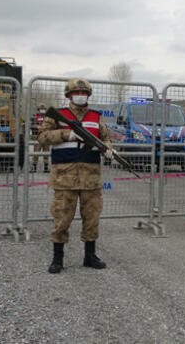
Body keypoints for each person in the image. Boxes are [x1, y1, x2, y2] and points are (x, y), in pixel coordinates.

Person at [38, 78, 114, 273]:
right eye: (76, 93)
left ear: (88, 95)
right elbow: (42, 137)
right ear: (69, 96)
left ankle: (90, 256)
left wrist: (108, 149)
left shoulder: (96, 116)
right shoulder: (57, 115)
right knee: (62, 218)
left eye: (83, 93)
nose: (80, 96)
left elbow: (105, 137)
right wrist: (66, 135)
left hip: (91, 177)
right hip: (65, 176)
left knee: (92, 218)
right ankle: (57, 258)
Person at [30, 103, 50, 173]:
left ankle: (46, 167)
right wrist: (37, 126)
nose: (42, 110)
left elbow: (51, 125)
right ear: (38, 110)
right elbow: (30, 125)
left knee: (46, 152)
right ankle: (34, 167)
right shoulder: (34, 117)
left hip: (46, 136)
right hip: (37, 137)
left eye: (43, 109)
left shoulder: (48, 117)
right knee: (36, 152)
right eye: (41, 109)